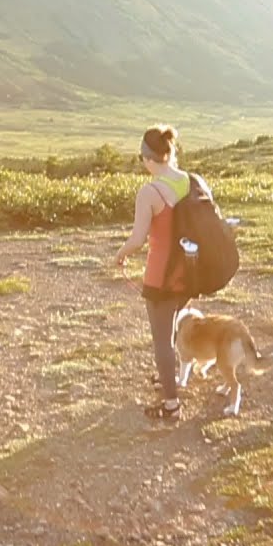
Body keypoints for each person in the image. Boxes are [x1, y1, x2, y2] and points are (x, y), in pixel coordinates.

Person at [115, 125, 192, 420]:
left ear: (148, 158)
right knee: (171, 327)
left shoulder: (149, 192)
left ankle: (171, 404)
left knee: (162, 339)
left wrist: (120, 255)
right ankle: (167, 376)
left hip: (161, 275)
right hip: (188, 272)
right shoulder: (189, 181)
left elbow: (137, 239)